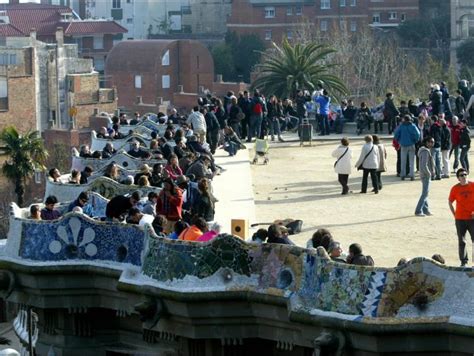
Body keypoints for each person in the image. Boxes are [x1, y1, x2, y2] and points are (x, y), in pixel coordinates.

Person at [449, 168, 474, 267]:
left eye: (465, 174)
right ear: (458, 178)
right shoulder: (455, 188)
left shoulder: (473, 186)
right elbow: (450, 201)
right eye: (461, 175)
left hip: (472, 219)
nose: (464, 177)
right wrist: (454, 214)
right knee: (461, 241)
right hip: (460, 219)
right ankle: (463, 262)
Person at [394, 115, 420, 181]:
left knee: (403, 160)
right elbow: (418, 134)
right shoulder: (413, 126)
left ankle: (403, 175)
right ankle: (412, 175)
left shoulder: (401, 126)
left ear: (404, 119)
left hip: (403, 144)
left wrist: (399, 140)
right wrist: (415, 140)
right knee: (412, 161)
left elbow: (396, 134)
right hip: (411, 144)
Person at [415, 136, 435, 217]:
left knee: (426, 193)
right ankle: (418, 210)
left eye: (433, 142)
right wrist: (429, 173)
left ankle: (425, 210)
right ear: (427, 142)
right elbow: (424, 165)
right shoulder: (425, 152)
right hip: (425, 175)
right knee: (424, 193)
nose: (432, 144)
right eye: (431, 142)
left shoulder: (425, 150)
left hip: (424, 174)